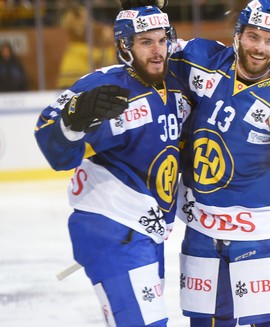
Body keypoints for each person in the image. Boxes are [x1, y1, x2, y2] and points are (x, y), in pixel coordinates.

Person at [122, 0, 270, 326]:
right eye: (253, 36)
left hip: (261, 236)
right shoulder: (202, 60)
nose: (260, 48)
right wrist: (145, 14)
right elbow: (156, 50)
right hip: (202, 233)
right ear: (237, 35)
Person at [34, 5, 191, 326]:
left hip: (147, 234)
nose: (158, 50)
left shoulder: (178, 84)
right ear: (124, 46)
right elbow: (56, 153)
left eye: (163, 41)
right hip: (113, 227)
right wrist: (71, 122)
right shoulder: (102, 86)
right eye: (146, 42)